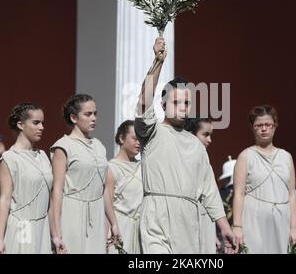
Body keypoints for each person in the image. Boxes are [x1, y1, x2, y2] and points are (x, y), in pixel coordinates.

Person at [134, 37, 236, 254]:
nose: (182, 107)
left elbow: (208, 188)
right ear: (163, 105)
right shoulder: (152, 132)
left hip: (188, 220)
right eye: (176, 102)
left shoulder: (196, 145)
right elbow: (143, 103)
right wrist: (158, 62)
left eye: (187, 103)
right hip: (156, 215)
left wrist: (224, 226)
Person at [233, 105, 296, 254]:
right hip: (253, 221)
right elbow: (239, 193)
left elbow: (292, 195)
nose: (264, 129)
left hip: (282, 221)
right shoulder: (245, 156)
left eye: (268, 124)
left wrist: (294, 227)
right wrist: (237, 226)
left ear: (275, 126)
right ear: (253, 128)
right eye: (259, 125)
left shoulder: (286, 157)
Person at [50, 94, 110, 254]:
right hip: (72, 213)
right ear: (74, 117)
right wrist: (56, 232)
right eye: (88, 114)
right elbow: (56, 190)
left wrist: (113, 224)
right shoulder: (63, 146)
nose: (93, 118)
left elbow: (104, 189)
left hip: (96, 214)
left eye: (95, 113)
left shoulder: (99, 146)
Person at [0, 103, 53, 254]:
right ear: (20, 125)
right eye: (36, 122)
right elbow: (4, 199)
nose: (42, 127)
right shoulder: (9, 159)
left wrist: (55, 235)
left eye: (42, 123)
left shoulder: (43, 156)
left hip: (42, 228)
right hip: (22, 228)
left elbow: (50, 198)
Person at [105, 120, 142, 254]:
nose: (139, 143)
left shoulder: (143, 167)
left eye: (141, 139)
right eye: (134, 138)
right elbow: (107, 203)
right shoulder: (111, 167)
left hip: (141, 231)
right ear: (121, 138)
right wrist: (106, 238)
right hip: (120, 228)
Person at [184, 117, 218, 254]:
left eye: (210, 135)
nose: (209, 140)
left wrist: (213, 233)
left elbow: (209, 195)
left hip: (205, 221)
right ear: (191, 134)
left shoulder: (204, 159)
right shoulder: (181, 160)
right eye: (205, 134)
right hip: (187, 221)